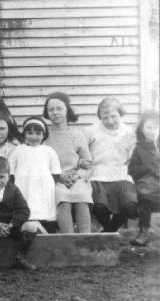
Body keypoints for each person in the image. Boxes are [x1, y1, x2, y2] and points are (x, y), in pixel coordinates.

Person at [43, 92, 93, 233]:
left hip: (76, 177)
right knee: (62, 200)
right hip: (56, 179)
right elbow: (41, 161)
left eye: (59, 108)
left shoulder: (77, 134)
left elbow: (88, 163)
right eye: (51, 110)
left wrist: (78, 176)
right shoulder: (45, 135)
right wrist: (58, 177)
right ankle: (68, 240)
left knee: (82, 200)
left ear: (67, 110)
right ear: (47, 113)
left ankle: (85, 240)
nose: (55, 113)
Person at [86, 97, 138, 232]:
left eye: (113, 116)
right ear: (100, 117)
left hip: (121, 174)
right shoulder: (90, 131)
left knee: (130, 205)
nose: (110, 121)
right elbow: (84, 154)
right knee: (99, 207)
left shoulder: (128, 132)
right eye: (105, 117)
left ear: (120, 113)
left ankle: (108, 231)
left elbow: (132, 157)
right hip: (97, 175)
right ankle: (110, 231)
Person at [9, 117, 61, 233]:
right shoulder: (18, 150)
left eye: (38, 133)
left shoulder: (48, 150)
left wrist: (46, 183)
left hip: (43, 186)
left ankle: (44, 229)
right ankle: (30, 227)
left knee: (43, 208)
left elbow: (56, 171)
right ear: (24, 135)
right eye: (30, 133)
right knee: (26, 206)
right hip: (23, 185)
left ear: (44, 135)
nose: (33, 137)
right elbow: (10, 171)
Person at [128, 110, 160, 245]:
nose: (152, 131)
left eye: (155, 127)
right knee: (144, 198)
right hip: (147, 185)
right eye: (149, 127)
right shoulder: (139, 148)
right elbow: (132, 169)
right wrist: (147, 168)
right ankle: (144, 231)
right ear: (142, 129)